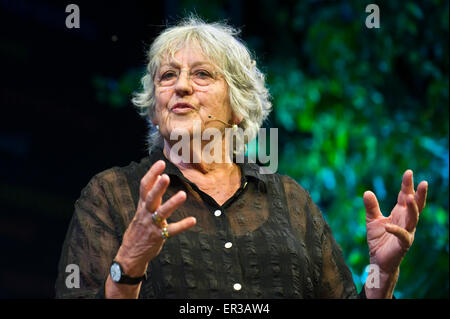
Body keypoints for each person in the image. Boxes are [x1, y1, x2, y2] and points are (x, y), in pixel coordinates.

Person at [55, 16, 428, 299]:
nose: (181, 85)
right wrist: (130, 264)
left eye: (202, 74)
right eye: (168, 75)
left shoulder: (290, 199)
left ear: (238, 106)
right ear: (154, 109)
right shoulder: (111, 193)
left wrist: (383, 271)